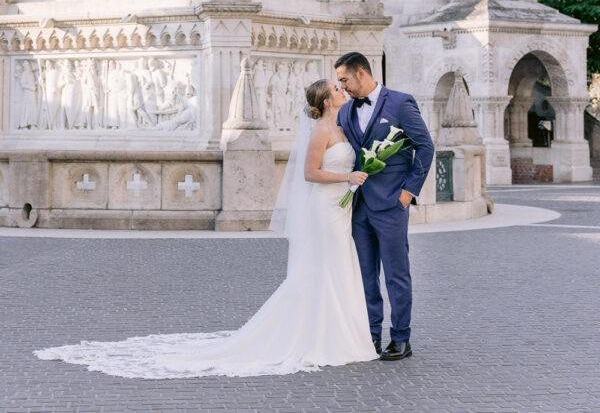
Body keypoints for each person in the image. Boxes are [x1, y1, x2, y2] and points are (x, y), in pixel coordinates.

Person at [35, 80, 379, 379]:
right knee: (322, 269)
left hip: (341, 208)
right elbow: (310, 174)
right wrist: (346, 177)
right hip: (325, 208)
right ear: (325, 101)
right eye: (336, 88)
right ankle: (319, 338)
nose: (342, 89)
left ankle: (337, 335)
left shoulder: (342, 126)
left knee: (337, 267)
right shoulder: (320, 131)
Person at [335, 51, 434, 362]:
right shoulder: (345, 112)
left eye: (344, 80)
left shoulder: (400, 102)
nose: (342, 87)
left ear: (361, 73)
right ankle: (371, 335)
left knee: (396, 274)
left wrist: (408, 193)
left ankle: (401, 338)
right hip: (359, 206)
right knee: (365, 275)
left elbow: (425, 146)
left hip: (391, 203)